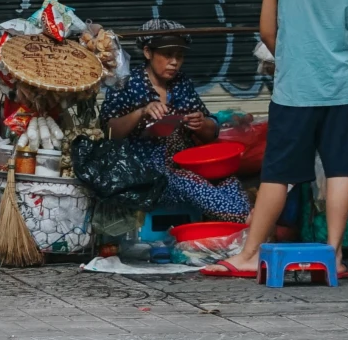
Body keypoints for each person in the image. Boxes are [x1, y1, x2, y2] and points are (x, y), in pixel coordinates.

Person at [206, 0, 348, 280]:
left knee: (277, 174)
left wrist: (294, 55)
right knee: (339, 170)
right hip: (339, 92)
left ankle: (248, 256)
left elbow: (267, 31)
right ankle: (334, 254)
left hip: (295, 90)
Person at [103, 19, 250, 220]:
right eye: (167, 55)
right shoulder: (127, 84)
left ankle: (237, 229)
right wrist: (141, 112)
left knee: (228, 182)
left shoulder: (182, 83)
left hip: (185, 165)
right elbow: (110, 132)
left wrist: (202, 124)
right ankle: (244, 222)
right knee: (188, 182)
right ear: (148, 52)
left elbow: (210, 132)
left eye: (179, 56)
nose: (174, 62)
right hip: (145, 173)